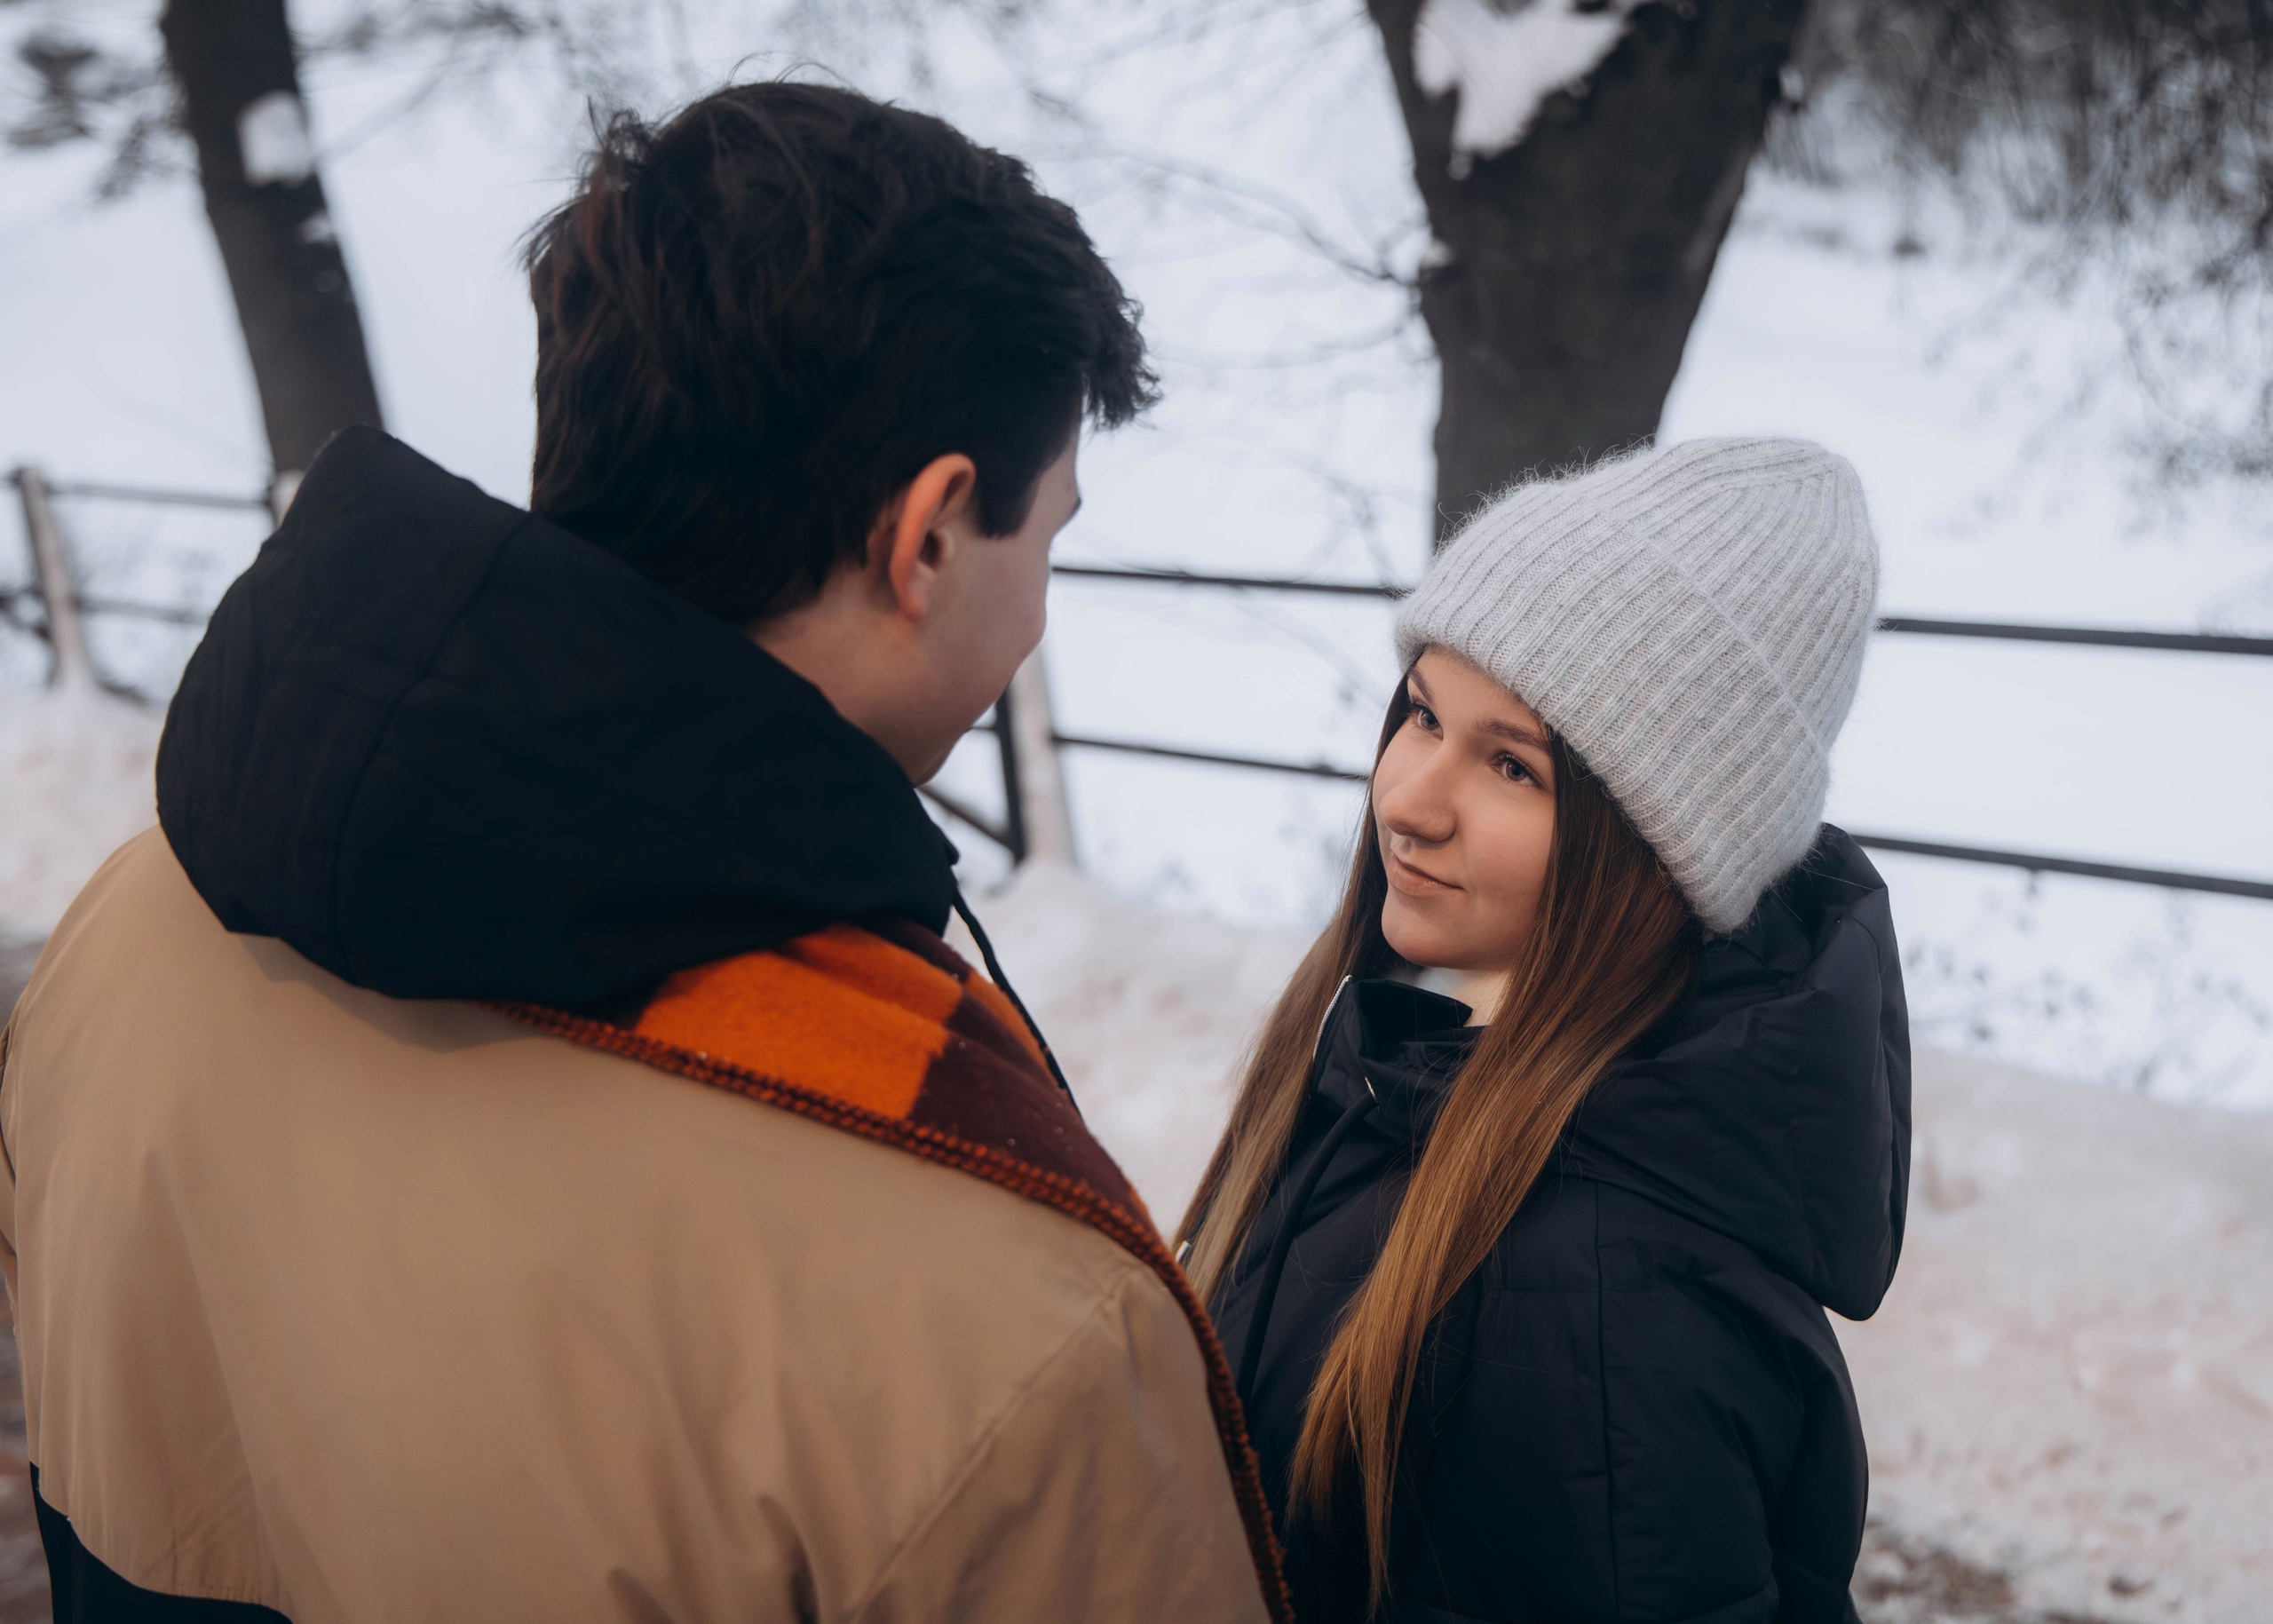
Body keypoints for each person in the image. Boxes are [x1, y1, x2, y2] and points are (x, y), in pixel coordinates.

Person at [0, 83, 1288, 1621]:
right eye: (1049, 535)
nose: (1042, 605)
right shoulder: (1010, 1319)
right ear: (932, 533)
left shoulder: (128, 925)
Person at [1179, 439, 1911, 1623]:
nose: (1408, 799)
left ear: (1658, 849)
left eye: (1514, 767)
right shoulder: (1408, 1068)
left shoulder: (1597, 1311)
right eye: (1423, 714)